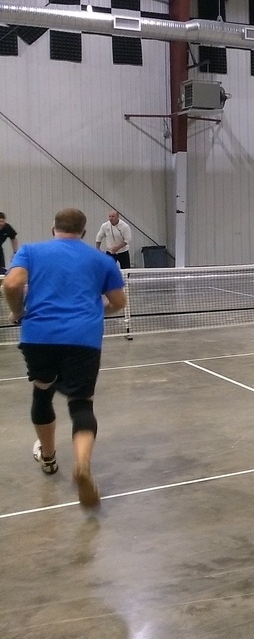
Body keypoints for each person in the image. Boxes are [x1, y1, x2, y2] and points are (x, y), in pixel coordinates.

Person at [1, 208, 126, 509]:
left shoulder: (31, 251)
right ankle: (82, 464)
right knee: (81, 402)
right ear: (84, 232)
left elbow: (12, 284)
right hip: (83, 339)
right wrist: (98, 311)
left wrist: (18, 312)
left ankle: (48, 458)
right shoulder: (102, 260)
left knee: (42, 390)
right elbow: (118, 302)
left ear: (53, 227)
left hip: (38, 336)